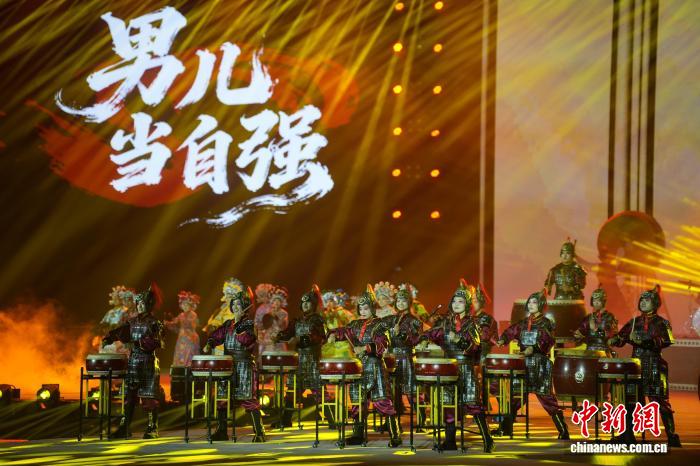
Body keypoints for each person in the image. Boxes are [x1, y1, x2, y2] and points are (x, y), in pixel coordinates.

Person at [417, 279, 494, 452]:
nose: (456, 304)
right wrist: (424, 340)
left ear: (467, 304)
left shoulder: (472, 323)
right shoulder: (446, 323)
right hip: (448, 370)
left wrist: (459, 339)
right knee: (448, 404)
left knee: (473, 404)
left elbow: (475, 345)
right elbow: (430, 333)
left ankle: (488, 439)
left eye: (460, 301)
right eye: (454, 301)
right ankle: (450, 441)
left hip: (465, 368)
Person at [326, 286, 402, 447]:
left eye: (366, 308)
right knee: (358, 402)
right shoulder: (355, 324)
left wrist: (365, 348)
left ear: (372, 308)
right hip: (359, 368)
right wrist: (333, 334)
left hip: (375, 367)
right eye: (360, 308)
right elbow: (343, 331)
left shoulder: (379, 324)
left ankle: (395, 435)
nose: (363, 311)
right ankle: (358, 435)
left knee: (383, 402)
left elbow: (383, 344)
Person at [608, 285, 681, 447]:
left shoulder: (662, 322)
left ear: (655, 303)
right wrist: (614, 339)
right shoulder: (634, 322)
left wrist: (644, 341)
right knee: (631, 400)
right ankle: (627, 434)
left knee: (660, 402)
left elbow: (666, 340)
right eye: (641, 300)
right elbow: (621, 339)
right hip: (636, 366)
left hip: (654, 365)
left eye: (647, 300)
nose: (643, 302)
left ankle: (672, 435)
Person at [496, 290, 569, 440]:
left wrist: (534, 348)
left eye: (534, 302)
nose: (531, 304)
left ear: (541, 304)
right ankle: (505, 429)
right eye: (529, 302)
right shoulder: (523, 323)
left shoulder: (546, 323)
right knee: (515, 397)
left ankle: (563, 430)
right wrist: (503, 339)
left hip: (540, 365)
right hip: (523, 365)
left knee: (547, 399)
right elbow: (512, 331)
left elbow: (548, 340)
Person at [203, 287, 266, 442]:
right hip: (228, 366)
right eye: (234, 304)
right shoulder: (227, 324)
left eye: (239, 304)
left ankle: (259, 433)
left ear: (245, 306)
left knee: (248, 399)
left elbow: (246, 340)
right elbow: (217, 336)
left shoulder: (249, 324)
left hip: (244, 366)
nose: (236, 307)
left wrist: (238, 325)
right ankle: (222, 431)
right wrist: (210, 342)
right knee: (222, 398)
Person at [102, 284, 164, 439]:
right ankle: (125, 427)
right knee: (129, 397)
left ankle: (152, 427)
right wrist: (109, 338)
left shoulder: (155, 323)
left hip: (148, 362)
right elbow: (121, 331)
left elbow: (157, 341)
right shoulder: (132, 321)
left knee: (149, 397)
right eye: (139, 303)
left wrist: (137, 343)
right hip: (133, 362)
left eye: (143, 303)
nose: (140, 305)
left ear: (149, 304)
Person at [274, 285, 331, 427]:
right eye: (303, 302)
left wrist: (300, 339)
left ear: (313, 304)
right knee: (292, 391)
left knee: (319, 392)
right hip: (298, 361)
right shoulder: (297, 321)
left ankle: (332, 420)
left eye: (308, 302)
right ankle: (285, 420)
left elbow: (319, 337)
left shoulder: (318, 320)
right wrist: (278, 336)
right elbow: (288, 333)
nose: (305, 305)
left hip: (312, 360)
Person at [382, 283, 423, 427]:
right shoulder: (391, 319)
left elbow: (416, 340)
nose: (400, 303)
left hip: (406, 358)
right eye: (398, 300)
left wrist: (402, 334)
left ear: (409, 302)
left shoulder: (414, 321)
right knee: (391, 392)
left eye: (404, 300)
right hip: (391, 359)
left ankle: (422, 419)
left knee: (410, 391)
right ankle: (392, 423)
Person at [204, 277, 244, 355]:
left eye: (230, 295)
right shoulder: (223, 308)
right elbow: (216, 322)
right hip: (219, 345)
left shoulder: (239, 309)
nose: (227, 297)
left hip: (232, 345)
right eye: (227, 294)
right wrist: (212, 327)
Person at [574, 286, 618, 354]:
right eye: (594, 301)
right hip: (590, 350)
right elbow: (581, 332)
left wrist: (597, 330)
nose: (596, 303)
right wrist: (578, 334)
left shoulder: (610, 317)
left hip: (604, 351)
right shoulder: (589, 317)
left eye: (598, 300)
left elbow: (613, 335)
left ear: (603, 301)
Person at [165, 291, 201, 367]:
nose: (184, 306)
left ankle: (189, 368)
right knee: (181, 354)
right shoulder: (181, 315)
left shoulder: (193, 314)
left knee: (189, 353)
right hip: (182, 338)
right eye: (183, 304)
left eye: (186, 304)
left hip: (190, 337)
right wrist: (168, 323)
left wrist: (180, 321)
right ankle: (180, 369)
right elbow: (174, 323)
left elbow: (191, 325)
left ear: (190, 305)